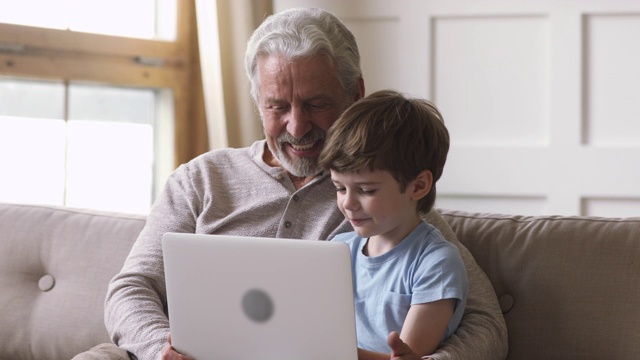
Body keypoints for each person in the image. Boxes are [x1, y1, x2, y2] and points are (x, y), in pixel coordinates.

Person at [103, 7, 507, 360]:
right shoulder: (200, 180)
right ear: (258, 102)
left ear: (356, 93)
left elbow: (485, 321)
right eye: (277, 107)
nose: (297, 126)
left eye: (317, 104)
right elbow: (131, 288)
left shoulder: (386, 200)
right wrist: (160, 349)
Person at [318, 89, 467, 360]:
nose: (348, 203)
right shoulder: (339, 249)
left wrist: (327, 353)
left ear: (418, 185)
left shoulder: (437, 263)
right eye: (339, 188)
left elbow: (404, 357)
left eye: (366, 190)